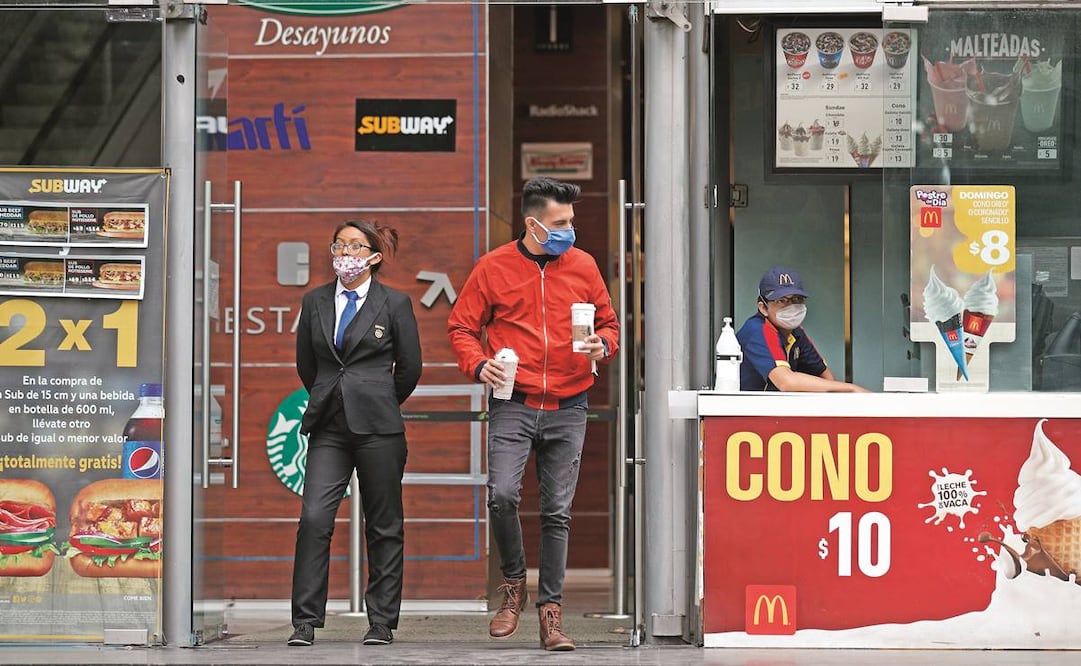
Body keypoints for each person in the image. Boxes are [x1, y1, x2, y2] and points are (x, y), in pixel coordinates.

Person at [447, 177, 619, 651]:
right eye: (560, 222)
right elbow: (462, 326)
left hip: (570, 403)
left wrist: (601, 344)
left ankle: (551, 614)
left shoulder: (583, 265)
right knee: (502, 495)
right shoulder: (493, 267)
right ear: (533, 224)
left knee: (556, 512)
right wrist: (478, 364)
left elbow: (610, 323)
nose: (570, 229)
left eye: (571, 220)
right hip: (514, 402)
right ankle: (513, 584)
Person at [289, 220, 422, 647]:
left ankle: (381, 621)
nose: (345, 252)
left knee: (383, 524)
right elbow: (307, 364)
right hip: (329, 424)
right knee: (314, 519)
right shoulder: (315, 301)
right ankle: (305, 621)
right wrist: (333, 394)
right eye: (339, 244)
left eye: (355, 245)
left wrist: (377, 396)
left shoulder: (394, 303)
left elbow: (410, 367)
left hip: (379, 427)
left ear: (374, 256)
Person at [737, 266, 868, 393]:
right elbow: (786, 382)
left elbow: (825, 377)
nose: (791, 306)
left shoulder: (795, 332)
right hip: (742, 411)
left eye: (797, 299)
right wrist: (850, 388)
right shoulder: (759, 330)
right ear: (763, 308)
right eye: (781, 301)